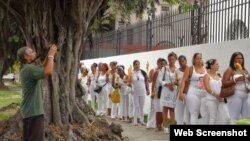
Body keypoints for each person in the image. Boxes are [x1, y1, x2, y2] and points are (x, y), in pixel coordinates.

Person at [17, 44, 57, 141]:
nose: (35, 53)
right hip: (34, 113)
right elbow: (48, 71)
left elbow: (42, 67)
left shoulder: (26, 68)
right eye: (32, 52)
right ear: (26, 57)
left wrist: (47, 56)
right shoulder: (29, 69)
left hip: (29, 112)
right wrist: (51, 55)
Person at [179, 53, 208, 124]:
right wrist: (181, 92)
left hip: (204, 92)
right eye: (197, 58)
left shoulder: (206, 69)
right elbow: (184, 80)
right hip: (193, 92)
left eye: (200, 58)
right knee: (194, 113)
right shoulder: (190, 69)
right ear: (194, 60)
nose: (199, 60)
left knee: (205, 113)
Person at [222, 52, 250, 124]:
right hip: (235, 95)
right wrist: (235, 80)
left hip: (246, 95)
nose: (240, 60)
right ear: (233, 59)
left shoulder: (245, 70)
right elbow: (224, 83)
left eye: (241, 58)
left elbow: (248, 81)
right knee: (235, 117)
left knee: (247, 117)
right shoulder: (230, 70)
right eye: (237, 58)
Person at [159, 52, 178, 133]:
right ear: (168, 60)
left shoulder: (177, 69)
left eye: (173, 59)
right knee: (165, 108)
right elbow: (160, 80)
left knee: (172, 109)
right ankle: (165, 126)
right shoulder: (164, 69)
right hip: (166, 90)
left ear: (175, 59)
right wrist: (167, 85)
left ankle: (173, 125)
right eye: (170, 59)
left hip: (173, 91)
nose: (171, 61)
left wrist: (175, 84)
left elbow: (178, 80)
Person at [131, 60, 150, 126]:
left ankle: (142, 120)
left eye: (138, 64)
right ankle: (135, 120)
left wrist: (148, 90)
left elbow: (147, 81)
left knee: (141, 106)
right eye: (136, 64)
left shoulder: (143, 72)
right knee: (136, 106)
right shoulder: (131, 73)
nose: (137, 65)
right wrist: (129, 83)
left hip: (142, 91)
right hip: (135, 92)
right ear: (133, 65)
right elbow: (128, 82)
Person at [175, 55, 190, 125]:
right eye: (179, 61)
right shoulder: (177, 71)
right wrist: (176, 82)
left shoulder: (190, 69)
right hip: (180, 93)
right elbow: (175, 82)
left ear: (186, 61)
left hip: (189, 93)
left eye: (182, 61)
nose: (181, 62)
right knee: (179, 113)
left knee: (189, 113)